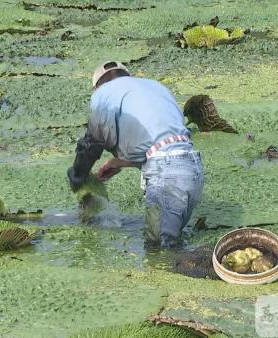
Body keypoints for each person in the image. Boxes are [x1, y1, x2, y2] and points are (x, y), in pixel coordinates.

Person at [67, 61, 204, 248]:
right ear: (127, 76)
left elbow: (92, 143)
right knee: (171, 247)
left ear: (97, 87)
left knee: (159, 253)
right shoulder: (155, 87)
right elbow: (165, 145)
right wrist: (116, 163)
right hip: (192, 169)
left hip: (166, 178)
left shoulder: (103, 94)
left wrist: (77, 175)